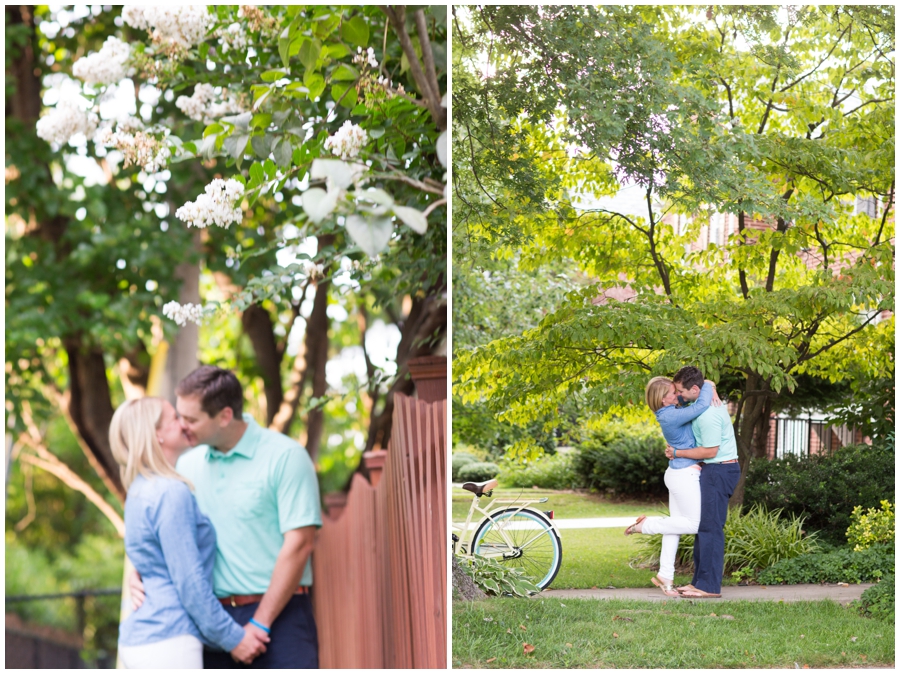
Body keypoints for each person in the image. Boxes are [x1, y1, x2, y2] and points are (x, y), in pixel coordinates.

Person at [130, 366, 322, 668]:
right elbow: (159, 527)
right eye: (178, 416)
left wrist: (260, 624)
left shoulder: (286, 457)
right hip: (211, 624)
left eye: (190, 419)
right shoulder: (185, 467)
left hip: (280, 618)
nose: (181, 426)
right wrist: (136, 568)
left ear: (224, 416)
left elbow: (299, 545)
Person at [110, 397, 269, 668]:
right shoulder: (170, 492)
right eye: (174, 418)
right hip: (170, 641)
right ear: (156, 434)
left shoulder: (139, 489)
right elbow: (190, 583)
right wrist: (234, 639)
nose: (183, 423)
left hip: (143, 637)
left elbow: (154, 561)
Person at [625, 374, 720, 596]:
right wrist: (708, 386)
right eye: (672, 393)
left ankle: (665, 575)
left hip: (679, 473)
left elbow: (696, 393)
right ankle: (644, 526)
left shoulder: (673, 410)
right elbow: (702, 404)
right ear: (662, 400)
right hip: (684, 475)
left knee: (674, 528)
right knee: (696, 524)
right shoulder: (669, 417)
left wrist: (710, 386)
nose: (677, 394)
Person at [663, 365, 741, 599]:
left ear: (694, 389)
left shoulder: (707, 415)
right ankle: (700, 581)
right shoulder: (700, 401)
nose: (678, 396)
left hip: (719, 470)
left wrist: (677, 453)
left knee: (710, 528)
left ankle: (708, 587)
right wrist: (711, 386)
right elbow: (706, 383)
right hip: (714, 470)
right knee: (703, 528)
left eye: (680, 391)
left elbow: (709, 450)